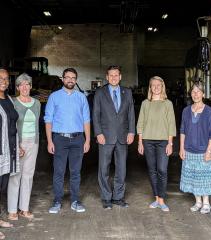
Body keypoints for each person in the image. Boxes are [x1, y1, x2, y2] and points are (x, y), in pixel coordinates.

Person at [44, 67, 90, 214]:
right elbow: (48, 120)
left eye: (73, 78)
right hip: (59, 139)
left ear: (76, 80)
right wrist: (50, 141)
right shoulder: (54, 97)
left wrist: (87, 140)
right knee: (59, 171)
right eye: (67, 77)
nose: (70, 80)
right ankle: (57, 201)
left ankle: (75, 201)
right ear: (63, 79)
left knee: (75, 172)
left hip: (78, 139)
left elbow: (86, 120)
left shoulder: (81, 97)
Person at [93, 65, 135, 209]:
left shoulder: (127, 92)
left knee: (121, 168)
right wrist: (98, 133)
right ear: (107, 76)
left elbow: (131, 113)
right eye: (111, 75)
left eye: (116, 75)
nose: (114, 78)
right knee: (103, 168)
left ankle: (118, 197)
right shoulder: (100, 92)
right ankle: (106, 198)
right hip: (105, 136)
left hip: (123, 136)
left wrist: (131, 132)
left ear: (120, 76)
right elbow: (96, 114)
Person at [137, 76, 176, 212]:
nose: (156, 87)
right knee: (152, 170)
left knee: (162, 170)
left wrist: (170, 143)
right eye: (153, 85)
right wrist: (140, 142)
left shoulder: (168, 104)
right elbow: (140, 123)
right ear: (150, 87)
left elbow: (171, 124)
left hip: (163, 141)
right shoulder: (145, 103)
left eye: (158, 85)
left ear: (162, 86)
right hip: (147, 141)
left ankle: (162, 199)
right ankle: (157, 198)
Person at [7, 73, 40, 220]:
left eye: (27, 84)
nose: (25, 87)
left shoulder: (37, 103)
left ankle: (24, 208)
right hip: (18, 142)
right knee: (15, 176)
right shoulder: (13, 102)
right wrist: (16, 143)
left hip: (33, 142)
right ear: (18, 87)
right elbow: (11, 125)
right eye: (22, 84)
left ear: (31, 86)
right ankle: (12, 209)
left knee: (28, 175)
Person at [179, 82, 211, 214]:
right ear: (191, 94)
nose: (195, 94)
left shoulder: (209, 111)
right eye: (193, 92)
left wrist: (209, 151)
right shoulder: (186, 111)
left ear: (203, 94)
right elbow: (182, 130)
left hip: (203, 151)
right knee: (193, 177)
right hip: (189, 150)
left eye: (198, 91)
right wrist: (181, 148)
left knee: (204, 178)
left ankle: (206, 203)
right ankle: (198, 202)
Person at [0, 68, 20, 239]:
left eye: (6, 79)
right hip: (0, 150)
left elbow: (13, 125)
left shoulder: (9, 100)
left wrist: (18, 144)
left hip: (9, 151)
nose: (4, 81)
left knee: (2, 186)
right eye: (1, 78)